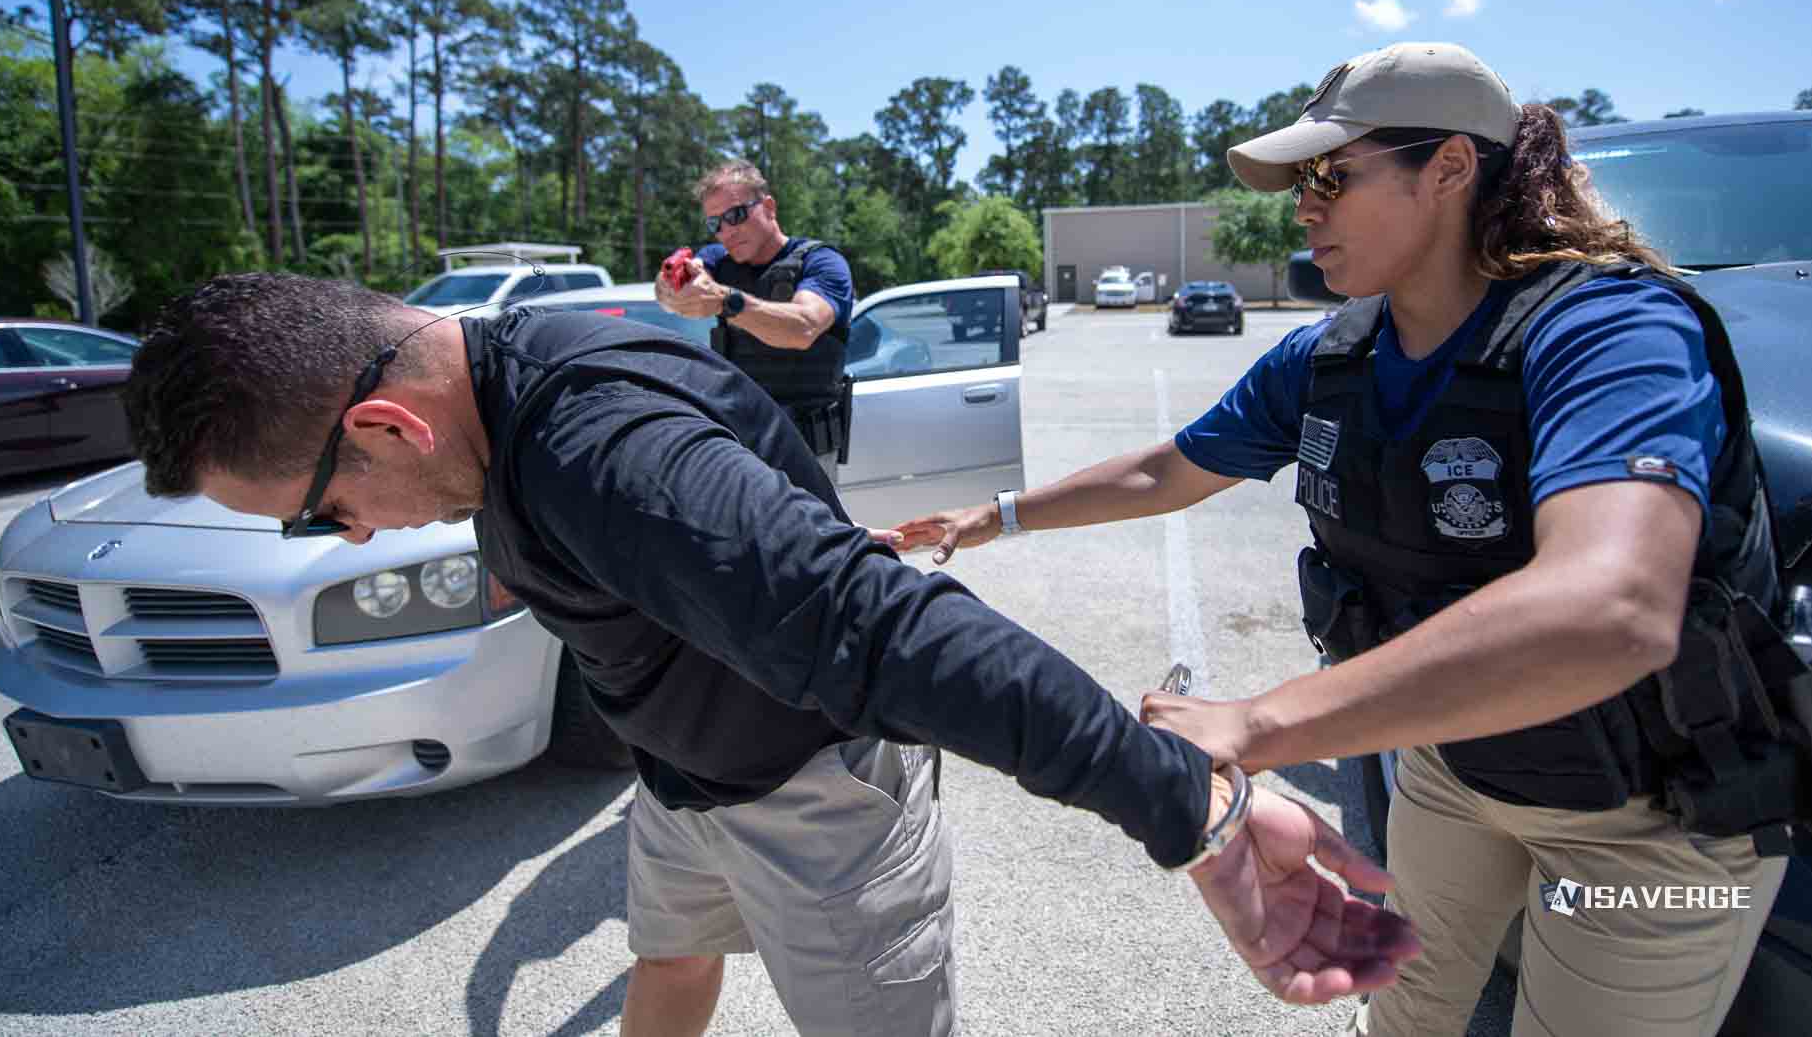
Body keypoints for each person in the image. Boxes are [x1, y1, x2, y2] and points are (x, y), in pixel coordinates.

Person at [121, 273, 1421, 1036]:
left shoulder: (590, 451)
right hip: (682, 786)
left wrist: (1186, 801)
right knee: (673, 962)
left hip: (815, 801)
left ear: (389, 426)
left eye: (316, 514)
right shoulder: (530, 351)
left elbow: (868, 620)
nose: (343, 538)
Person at [894, 42, 1795, 1037]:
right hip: (1455, 777)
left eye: (1330, 174)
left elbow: (1608, 610)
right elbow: (1168, 470)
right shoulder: (1329, 358)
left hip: (1649, 822)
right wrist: (998, 516)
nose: (1301, 205)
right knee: (1401, 1014)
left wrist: (1257, 725)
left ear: (1448, 168)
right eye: (1298, 183)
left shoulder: (1609, 329)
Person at [657, 159, 855, 480]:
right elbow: (670, 292)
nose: (727, 231)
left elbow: (803, 328)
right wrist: (672, 288)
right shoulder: (717, 260)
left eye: (735, 215)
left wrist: (728, 302)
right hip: (741, 446)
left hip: (806, 451)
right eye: (715, 224)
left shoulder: (821, 262)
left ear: (769, 207)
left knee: (806, 532)